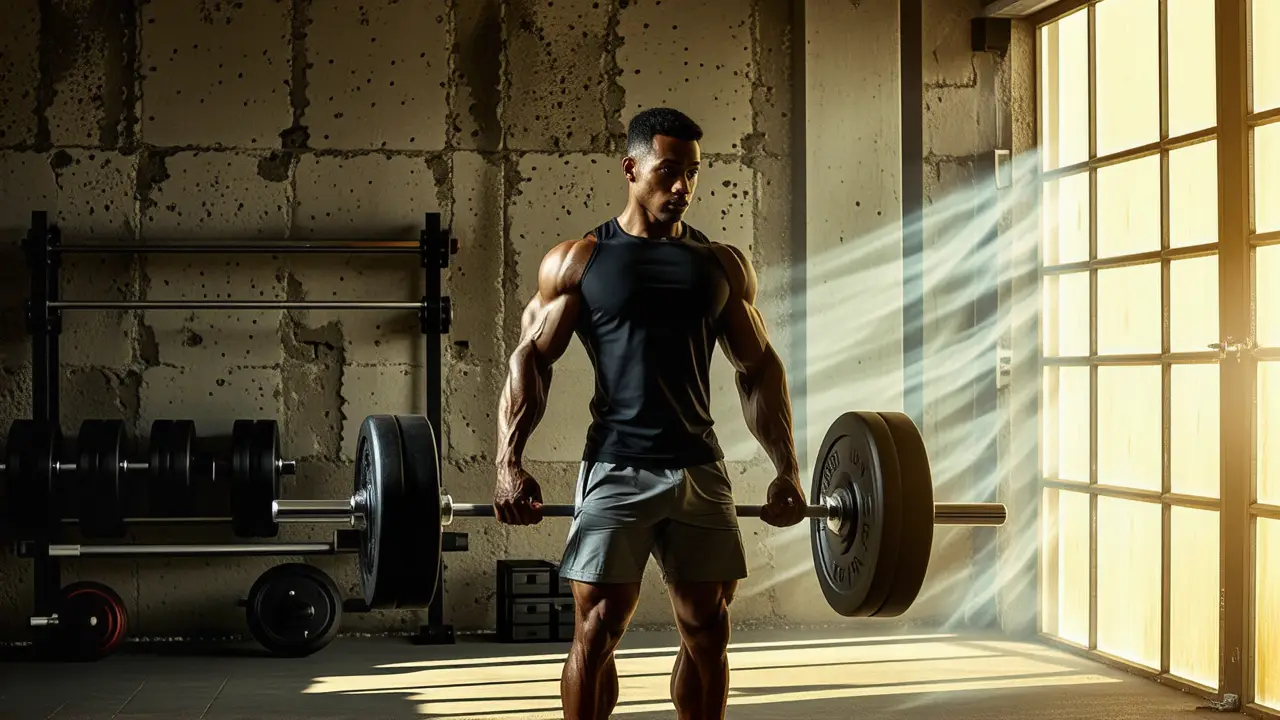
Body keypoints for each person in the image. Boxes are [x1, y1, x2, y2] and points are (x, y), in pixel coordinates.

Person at [493, 107, 806, 720]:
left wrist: (787, 467)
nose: (683, 187)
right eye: (669, 172)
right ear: (631, 169)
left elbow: (759, 369)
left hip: (698, 468)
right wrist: (509, 462)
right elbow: (530, 359)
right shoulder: (579, 261)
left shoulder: (721, 265)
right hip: (617, 465)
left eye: (692, 173)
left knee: (709, 630)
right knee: (598, 627)